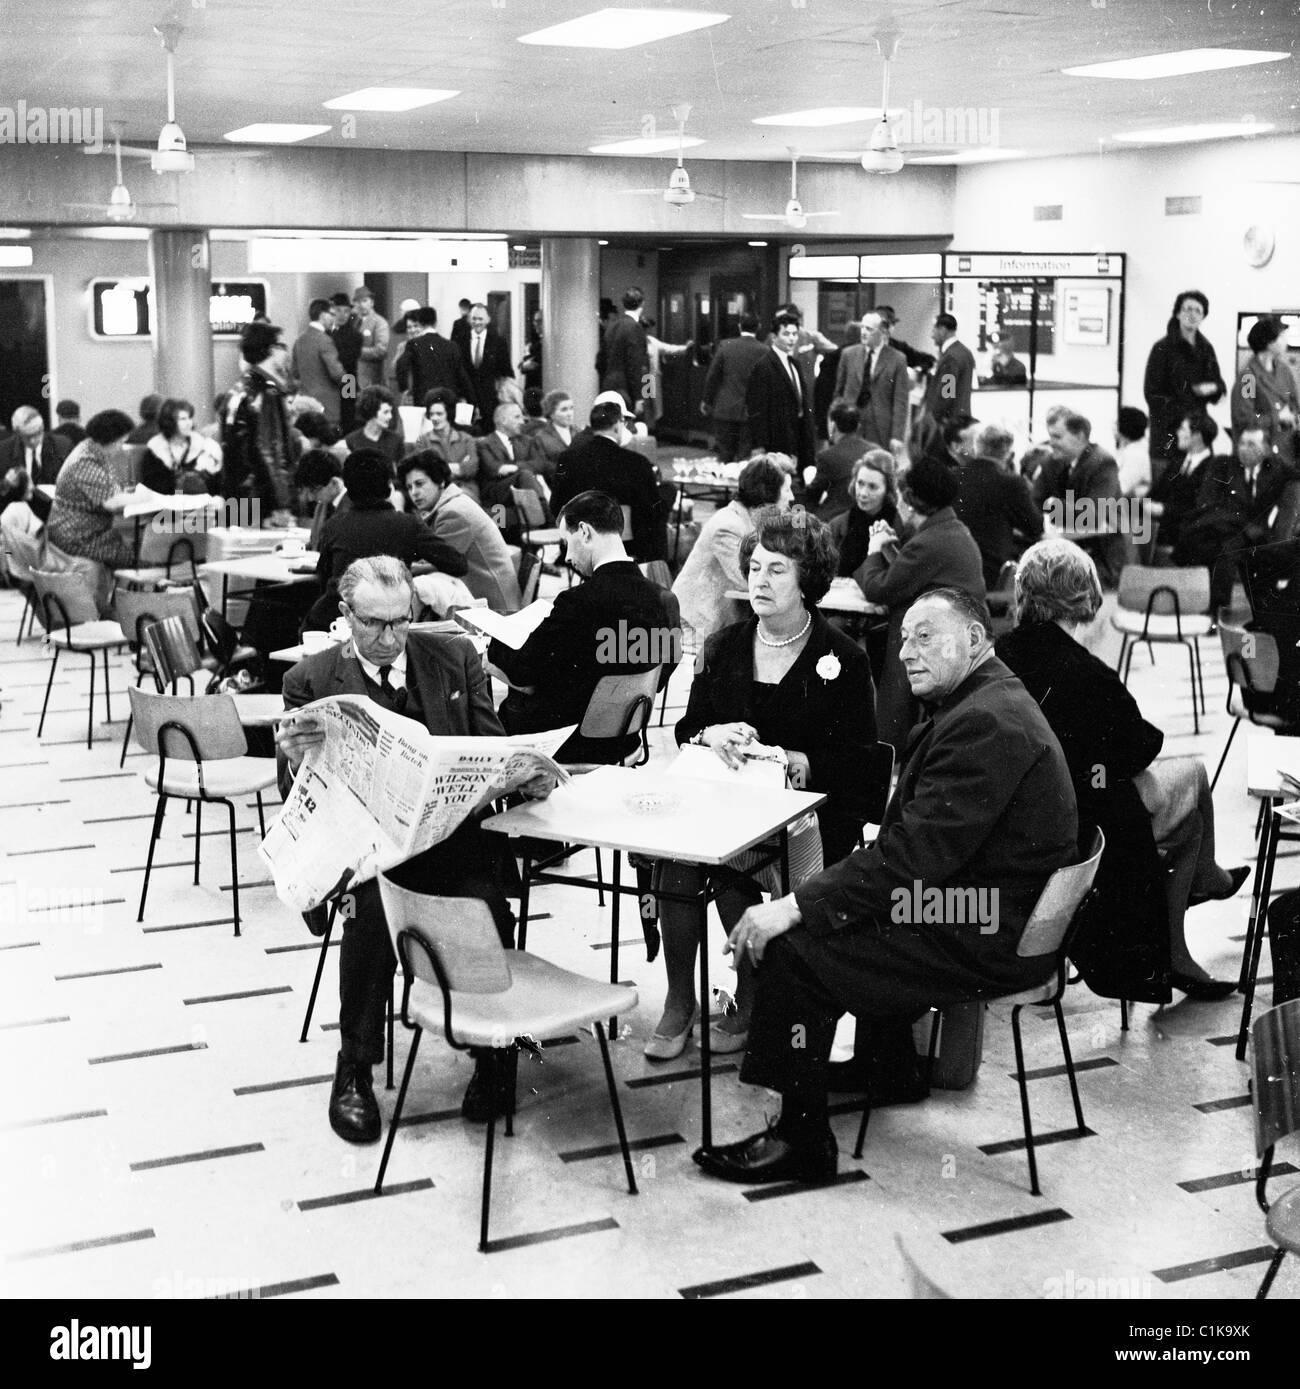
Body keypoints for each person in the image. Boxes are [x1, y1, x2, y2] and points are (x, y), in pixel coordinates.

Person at [693, 587, 1078, 1184]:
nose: (905, 652)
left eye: (926, 636)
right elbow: (924, 853)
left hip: (985, 926)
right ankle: (888, 1066)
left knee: (795, 947)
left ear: (975, 639)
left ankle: (802, 1140)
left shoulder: (985, 722)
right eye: (903, 638)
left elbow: (911, 861)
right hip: (991, 906)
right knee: (850, 906)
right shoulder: (988, 699)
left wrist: (795, 905)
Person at [277, 555, 556, 1139]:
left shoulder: (454, 657)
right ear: (345, 615)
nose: (388, 638)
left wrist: (521, 771)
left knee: (483, 907)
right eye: (373, 624)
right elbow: (296, 798)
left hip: (452, 839)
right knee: (370, 915)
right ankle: (354, 1065)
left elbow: (492, 745)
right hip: (368, 855)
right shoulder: (310, 680)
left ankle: (493, 1051)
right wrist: (294, 759)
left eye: (400, 622)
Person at [649, 511, 878, 1061]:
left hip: (805, 822)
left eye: (777, 570)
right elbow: (685, 729)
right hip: (729, 808)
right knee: (676, 861)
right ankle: (680, 998)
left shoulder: (842, 657)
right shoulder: (724, 644)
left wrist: (802, 761)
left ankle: (751, 995)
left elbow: (862, 765)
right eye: (754, 567)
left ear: (808, 580)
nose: (760, 580)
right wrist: (710, 731)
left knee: (735, 875)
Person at [997, 539, 1247, 1000]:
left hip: (1021, 818)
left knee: (1183, 811)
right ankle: (1200, 889)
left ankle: (1192, 916)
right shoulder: (1085, 671)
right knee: (1191, 778)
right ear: (1083, 599)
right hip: (1082, 825)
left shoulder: (1000, 655)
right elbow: (1142, 746)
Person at [490, 490, 678, 763]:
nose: (566, 557)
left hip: (568, 743)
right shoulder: (666, 601)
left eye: (566, 543)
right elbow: (661, 673)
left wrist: (496, 642)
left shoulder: (578, 602)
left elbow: (522, 671)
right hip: (627, 739)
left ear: (585, 532)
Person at [856, 456, 986, 749]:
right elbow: (913, 575)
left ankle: (887, 746)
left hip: (943, 646)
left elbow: (878, 589)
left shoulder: (929, 541)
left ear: (911, 501)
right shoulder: (950, 531)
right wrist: (891, 550)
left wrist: (874, 550)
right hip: (961, 638)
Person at [305, 450, 468, 630]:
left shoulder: (333, 526)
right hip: (384, 622)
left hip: (333, 619)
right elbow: (458, 564)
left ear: (349, 489)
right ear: (389, 486)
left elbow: (323, 575)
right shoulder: (408, 525)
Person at [672, 457, 791, 645]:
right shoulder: (728, 526)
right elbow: (748, 580)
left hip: (720, 627)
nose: (791, 497)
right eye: (787, 489)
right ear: (768, 493)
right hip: (694, 630)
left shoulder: (753, 522)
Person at [1176, 425, 1295, 608]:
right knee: (1229, 547)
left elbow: (1294, 475)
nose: (1243, 448)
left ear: (1264, 449)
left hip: (1257, 535)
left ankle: (1228, 610)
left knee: (1235, 549)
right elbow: (1208, 503)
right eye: (1241, 443)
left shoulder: (1275, 470)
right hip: (1222, 529)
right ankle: (1221, 608)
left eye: (1251, 444)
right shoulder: (1223, 465)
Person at [399, 451, 521, 613]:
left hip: (497, 609)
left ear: (440, 481)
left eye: (420, 484)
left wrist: (399, 568)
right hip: (489, 597)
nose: (414, 492)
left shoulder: (453, 513)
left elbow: (439, 564)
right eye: (409, 487)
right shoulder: (452, 504)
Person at [44, 408, 139, 610]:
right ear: (111, 440)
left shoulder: (90, 450)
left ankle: (116, 609)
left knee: (135, 547)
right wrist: (144, 496)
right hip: (78, 536)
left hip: (84, 531)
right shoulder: (85, 461)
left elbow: (110, 489)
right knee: (137, 555)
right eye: (121, 442)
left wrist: (129, 495)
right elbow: (112, 503)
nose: (121, 447)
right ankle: (121, 612)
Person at [550, 400, 665, 562]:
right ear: (618, 426)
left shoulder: (567, 459)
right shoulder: (636, 463)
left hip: (581, 544)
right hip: (626, 545)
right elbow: (652, 511)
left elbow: (555, 505)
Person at [1143, 289, 1226, 485]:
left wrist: (1212, 388)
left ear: (1203, 316)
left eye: (1198, 310)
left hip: (1197, 438)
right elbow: (1152, 394)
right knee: (1164, 495)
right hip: (1167, 436)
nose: (1192, 314)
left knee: (1198, 493)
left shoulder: (1206, 349)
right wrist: (1184, 419)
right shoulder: (1161, 348)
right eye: (1187, 308)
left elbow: (1219, 384)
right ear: (1178, 313)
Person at [952, 422, 1043, 591]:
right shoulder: (1011, 482)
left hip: (953, 570)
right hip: (992, 574)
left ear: (976, 447)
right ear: (1008, 453)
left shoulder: (953, 477)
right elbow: (1035, 527)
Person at [222, 322, 297, 526]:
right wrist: (282, 502)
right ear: (273, 350)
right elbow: (271, 450)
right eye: (283, 347)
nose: (286, 354)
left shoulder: (238, 389)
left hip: (238, 496)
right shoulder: (268, 393)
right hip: (264, 500)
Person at [1046, 409, 1126, 587]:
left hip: (1099, 561)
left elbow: (1092, 515)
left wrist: (1054, 507)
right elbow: (1037, 501)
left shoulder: (1102, 463)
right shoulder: (1058, 462)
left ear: (1080, 436)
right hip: (1072, 555)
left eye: (1057, 437)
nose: (1051, 443)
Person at [746, 309, 817, 476]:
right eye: (786, 334)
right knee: (778, 488)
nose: (792, 338)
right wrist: (759, 445)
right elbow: (757, 408)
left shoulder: (794, 363)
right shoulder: (764, 366)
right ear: (774, 336)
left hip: (798, 436)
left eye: (794, 334)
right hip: (777, 438)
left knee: (795, 490)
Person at [830, 311, 909, 452]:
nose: (864, 332)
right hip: (850, 424)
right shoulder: (848, 354)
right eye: (862, 327)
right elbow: (839, 392)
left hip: (880, 428)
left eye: (869, 329)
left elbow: (900, 401)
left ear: (882, 332)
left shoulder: (897, 359)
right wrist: (834, 420)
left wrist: (897, 436)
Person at [1149, 408, 1220, 554]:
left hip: (1186, 539)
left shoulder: (1214, 468)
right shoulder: (1176, 463)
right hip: (1158, 530)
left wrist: (1162, 509)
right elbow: (1155, 493)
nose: (1177, 433)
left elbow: (1199, 509)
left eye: (1182, 429)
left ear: (1197, 436)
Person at [1232, 314, 1299, 467]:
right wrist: (1278, 417)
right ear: (1269, 342)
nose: (1286, 341)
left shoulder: (1284, 371)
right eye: (1282, 337)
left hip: (1286, 452)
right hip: (1259, 454)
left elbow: (1294, 405)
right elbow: (1244, 420)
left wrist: (1293, 416)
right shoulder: (1248, 377)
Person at [830, 451, 907, 580]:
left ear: (887, 490)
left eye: (872, 487)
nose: (863, 493)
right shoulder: (838, 524)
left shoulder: (901, 527)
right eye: (860, 483)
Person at [701, 313, 767, 461]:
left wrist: (706, 400)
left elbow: (713, 376)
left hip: (725, 409)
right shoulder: (764, 350)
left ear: (739, 326)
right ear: (758, 328)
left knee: (724, 455)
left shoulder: (725, 345)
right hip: (751, 412)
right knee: (745, 456)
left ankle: (722, 483)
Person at [474, 400, 551, 522]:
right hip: (497, 490)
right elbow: (494, 469)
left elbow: (540, 464)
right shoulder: (485, 444)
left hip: (522, 487)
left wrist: (515, 467)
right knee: (524, 475)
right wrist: (521, 469)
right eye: (517, 417)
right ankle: (547, 516)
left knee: (524, 476)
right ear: (503, 420)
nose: (522, 421)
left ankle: (542, 519)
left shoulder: (527, 441)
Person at [394, 306, 474, 408]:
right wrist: (472, 402)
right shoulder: (451, 345)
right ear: (436, 322)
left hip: (423, 398)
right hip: (447, 400)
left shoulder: (413, 344)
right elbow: (462, 376)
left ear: (420, 323)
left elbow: (401, 365)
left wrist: (404, 388)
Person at [141, 397, 223, 495]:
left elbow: (216, 485)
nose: (189, 423)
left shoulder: (204, 447)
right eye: (183, 419)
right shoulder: (155, 450)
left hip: (202, 503)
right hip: (166, 505)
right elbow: (152, 486)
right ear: (170, 422)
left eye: (190, 418)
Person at [0, 407, 71, 519]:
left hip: (54, 514)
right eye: (27, 436)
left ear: (42, 428)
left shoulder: (62, 446)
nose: (33, 440)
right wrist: (6, 484)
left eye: (37, 434)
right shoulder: (4, 451)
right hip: (19, 517)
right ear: (17, 433)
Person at [803, 405, 869, 520]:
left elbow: (813, 495)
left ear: (832, 425)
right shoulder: (875, 450)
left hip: (836, 518)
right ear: (858, 426)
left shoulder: (827, 456)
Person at [416, 387, 480, 502]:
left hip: (466, 489)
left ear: (449, 414)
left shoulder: (466, 439)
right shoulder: (423, 441)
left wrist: (442, 467)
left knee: (462, 498)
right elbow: (426, 471)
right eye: (431, 414)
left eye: (439, 414)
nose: (435, 418)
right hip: (438, 490)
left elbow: (472, 468)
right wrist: (459, 467)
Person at [459, 302, 514, 434]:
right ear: (468, 320)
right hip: (467, 399)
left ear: (488, 320)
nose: (477, 322)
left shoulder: (498, 342)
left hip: (491, 399)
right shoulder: (460, 341)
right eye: (474, 318)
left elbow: (506, 370)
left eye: (480, 319)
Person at [292, 299, 346, 427]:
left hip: (305, 405)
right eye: (332, 314)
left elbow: (294, 373)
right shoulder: (325, 340)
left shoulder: (299, 340)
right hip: (327, 407)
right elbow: (337, 374)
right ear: (323, 315)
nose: (334, 318)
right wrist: (352, 386)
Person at [596, 286, 650, 415]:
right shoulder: (635, 328)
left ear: (623, 304)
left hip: (608, 386)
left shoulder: (611, 327)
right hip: (627, 390)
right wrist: (639, 397)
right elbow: (635, 365)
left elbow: (600, 362)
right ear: (643, 303)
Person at [922, 313, 975, 426]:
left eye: (933, 330)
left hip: (948, 424)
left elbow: (946, 394)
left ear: (942, 330)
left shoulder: (951, 357)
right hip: (962, 419)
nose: (932, 336)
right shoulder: (965, 352)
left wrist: (932, 421)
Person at [342, 386, 404, 469]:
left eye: (390, 412)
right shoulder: (351, 441)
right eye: (385, 412)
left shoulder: (396, 440)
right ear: (372, 411)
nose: (390, 416)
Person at [351, 286, 390, 390]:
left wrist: (355, 352)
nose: (361, 305)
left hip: (370, 379)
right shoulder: (352, 322)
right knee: (348, 404)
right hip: (350, 378)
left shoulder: (379, 322)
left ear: (371, 303)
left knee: (368, 404)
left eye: (364, 301)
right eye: (358, 302)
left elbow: (381, 350)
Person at [532, 389, 575, 480]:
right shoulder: (541, 438)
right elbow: (542, 467)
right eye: (564, 410)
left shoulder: (578, 432)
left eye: (571, 408)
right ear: (551, 414)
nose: (569, 414)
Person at [1115, 406, 1151, 498]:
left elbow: (1121, 488)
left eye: (1116, 423)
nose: (1114, 425)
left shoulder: (1137, 455)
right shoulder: (1128, 449)